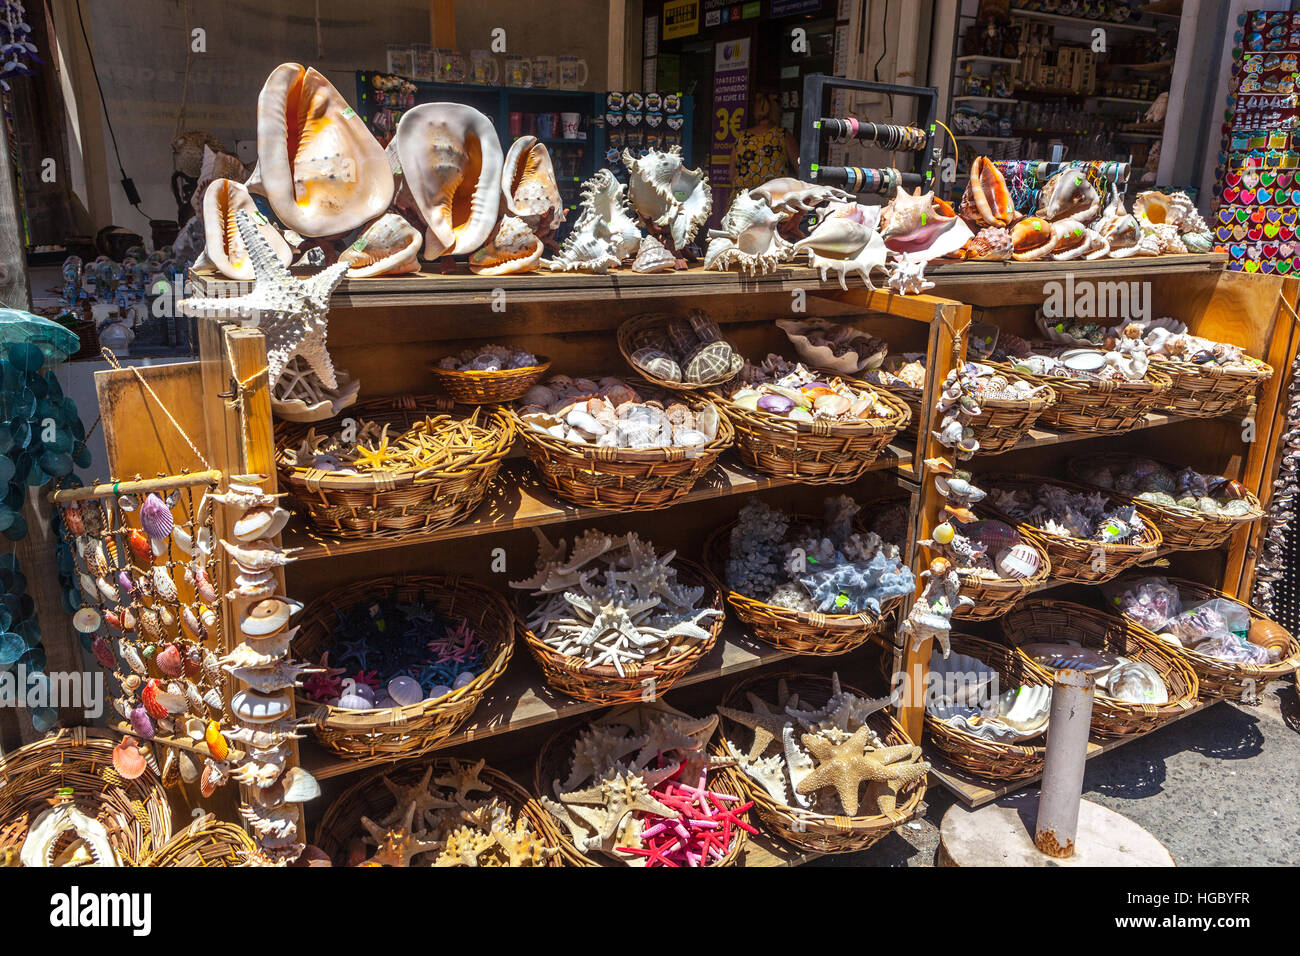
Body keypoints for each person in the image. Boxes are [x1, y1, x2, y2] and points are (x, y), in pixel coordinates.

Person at [728, 89, 799, 198]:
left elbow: (731, 174)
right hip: (771, 200)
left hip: (741, 200)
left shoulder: (741, 137)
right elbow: (800, 168)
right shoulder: (782, 135)